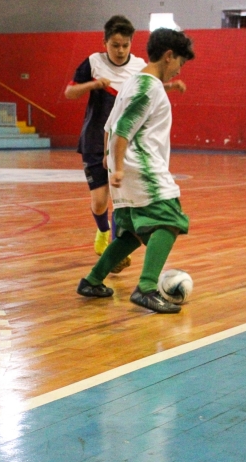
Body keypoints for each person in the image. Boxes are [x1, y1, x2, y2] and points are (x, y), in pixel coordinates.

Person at [76, 28, 195, 314]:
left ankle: (92, 281)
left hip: (124, 169)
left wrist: (110, 162)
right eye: (180, 62)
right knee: (170, 220)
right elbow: (123, 127)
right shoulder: (149, 87)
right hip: (142, 168)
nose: (178, 69)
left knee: (130, 232)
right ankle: (147, 287)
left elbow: (109, 125)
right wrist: (115, 167)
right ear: (168, 56)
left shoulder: (133, 83)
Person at [64, 16, 145, 274]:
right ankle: (103, 231)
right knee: (100, 202)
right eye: (115, 45)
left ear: (131, 43)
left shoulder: (140, 67)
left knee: (122, 199)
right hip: (94, 141)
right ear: (105, 43)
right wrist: (94, 85)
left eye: (125, 45)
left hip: (125, 143)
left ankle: (114, 249)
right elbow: (70, 92)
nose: (120, 50)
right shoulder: (93, 63)